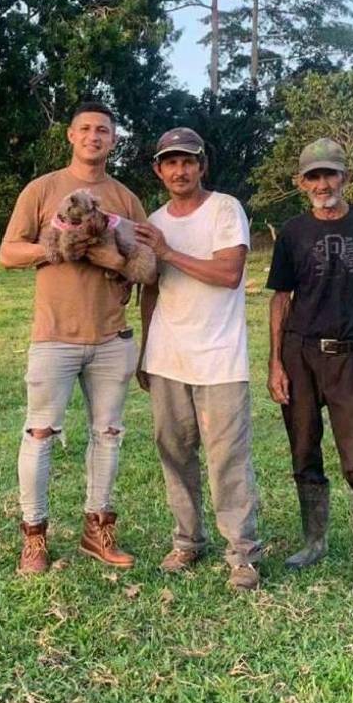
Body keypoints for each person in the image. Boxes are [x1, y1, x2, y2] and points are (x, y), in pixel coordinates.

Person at [0, 101, 150, 576]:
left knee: (108, 434)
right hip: (55, 337)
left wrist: (114, 261)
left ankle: (97, 529)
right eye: (84, 128)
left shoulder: (125, 198)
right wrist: (56, 250)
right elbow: (7, 253)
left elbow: (146, 263)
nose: (93, 136)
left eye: (102, 130)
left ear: (113, 139)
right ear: (70, 135)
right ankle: (34, 535)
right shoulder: (43, 189)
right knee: (40, 434)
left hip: (111, 337)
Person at [265, 137, 353, 599]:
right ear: (301, 183)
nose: (322, 184)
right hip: (300, 354)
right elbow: (280, 299)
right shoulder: (292, 233)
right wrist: (275, 363)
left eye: (329, 174)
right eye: (313, 176)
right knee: (304, 450)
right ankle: (314, 542)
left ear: (346, 177)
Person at [134, 128, 263, 591]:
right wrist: (144, 350)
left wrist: (168, 251)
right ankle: (187, 540)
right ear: (158, 170)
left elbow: (229, 273)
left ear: (201, 165)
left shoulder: (225, 209)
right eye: (170, 162)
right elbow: (150, 289)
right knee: (174, 453)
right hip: (168, 356)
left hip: (220, 358)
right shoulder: (153, 220)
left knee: (227, 457)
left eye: (188, 161)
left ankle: (243, 553)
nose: (180, 170)